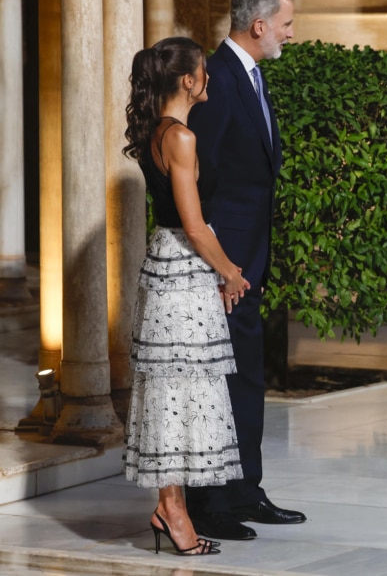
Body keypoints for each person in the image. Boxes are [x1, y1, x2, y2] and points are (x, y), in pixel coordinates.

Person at [185, 0, 306, 540]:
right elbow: (197, 182)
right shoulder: (215, 80)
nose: (290, 31)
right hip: (224, 264)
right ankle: (209, 505)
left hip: (250, 261)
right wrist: (219, 267)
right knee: (216, 381)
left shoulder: (252, 75)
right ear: (259, 26)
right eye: (285, 22)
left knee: (247, 376)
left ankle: (245, 489)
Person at [123, 36, 250, 556]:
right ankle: (173, 510)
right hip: (183, 270)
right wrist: (232, 274)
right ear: (188, 80)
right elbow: (195, 227)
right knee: (177, 393)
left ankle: (169, 505)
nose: (210, 78)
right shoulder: (181, 139)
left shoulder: (162, 131)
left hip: (168, 266)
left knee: (174, 393)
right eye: (204, 71)